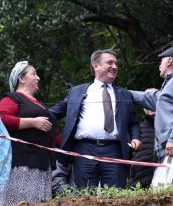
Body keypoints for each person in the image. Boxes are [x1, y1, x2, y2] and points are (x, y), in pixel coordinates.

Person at [50, 49, 141, 189]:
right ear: (95, 65)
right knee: (85, 196)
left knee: (115, 196)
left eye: (116, 63)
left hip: (114, 150)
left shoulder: (124, 94)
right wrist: (29, 117)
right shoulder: (78, 91)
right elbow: (55, 112)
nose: (115, 67)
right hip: (84, 149)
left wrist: (136, 137)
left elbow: (133, 123)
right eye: (110, 63)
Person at [130, 47, 173, 184]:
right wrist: (118, 93)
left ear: (170, 61)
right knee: (164, 192)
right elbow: (149, 98)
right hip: (169, 148)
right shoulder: (169, 84)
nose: (159, 65)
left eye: (161, 60)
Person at [0, 61, 57, 205]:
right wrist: (32, 122)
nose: (38, 78)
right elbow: (2, 119)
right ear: (21, 79)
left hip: (42, 164)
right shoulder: (12, 98)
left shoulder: (39, 104)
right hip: (22, 163)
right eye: (34, 74)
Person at [128, 105, 156, 188]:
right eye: (148, 104)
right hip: (138, 182)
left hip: (163, 183)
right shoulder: (135, 131)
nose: (152, 108)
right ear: (144, 108)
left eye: (155, 103)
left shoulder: (172, 131)